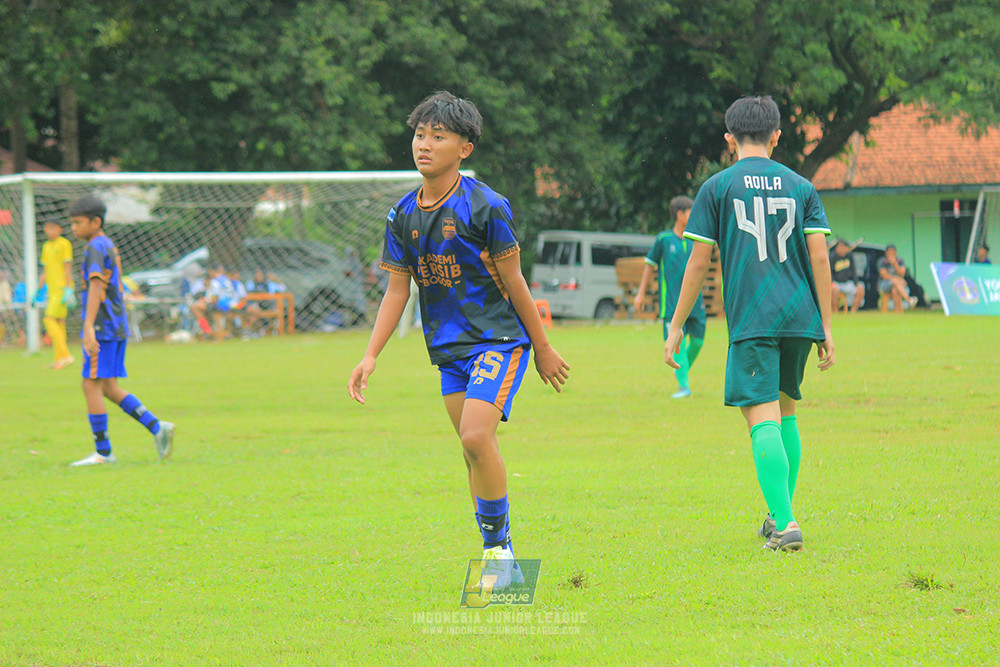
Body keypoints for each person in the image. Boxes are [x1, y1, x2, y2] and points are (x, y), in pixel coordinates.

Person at [347, 91, 570, 588]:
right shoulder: (401, 215)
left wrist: (543, 347)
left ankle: (500, 556)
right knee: (472, 451)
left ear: (464, 148)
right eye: (420, 134)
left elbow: (515, 282)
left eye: (438, 136)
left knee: (475, 436)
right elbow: (397, 290)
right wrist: (369, 355)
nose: (424, 144)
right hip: (447, 351)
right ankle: (500, 557)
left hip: (498, 340)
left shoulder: (486, 206)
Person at [664, 95, 835, 552]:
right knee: (787, 411)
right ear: (777, 136)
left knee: (761, 417)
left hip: (754, 320)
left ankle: (785, 523)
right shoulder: (802, 186)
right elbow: (820, 257)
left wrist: (676, 323)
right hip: (799, 316)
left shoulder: (717, 188)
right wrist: (827, 326)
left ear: (729, 139)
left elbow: (698, 262)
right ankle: (779, 511)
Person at [66, 195, 175, 466]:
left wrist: (89, 326)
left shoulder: (95, 246)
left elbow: (96, 286)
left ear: (96, 222)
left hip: (102, 327)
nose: (74, 228)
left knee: (90, 384)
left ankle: (104, 453)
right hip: (116, 325)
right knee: (108, 387)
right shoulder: (107, 245)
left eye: (78, 223)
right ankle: (157, 427)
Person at [633, 195, 705, 398]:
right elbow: (649, 265)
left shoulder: (697, 239)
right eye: (690, 212)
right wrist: (641, 293)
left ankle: (681, 370)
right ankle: (684, 387)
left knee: (698, 342)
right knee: (678, 344)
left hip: (696, 303)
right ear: (680, 215)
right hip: (671, 304)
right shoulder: (663, 239)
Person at [36, 219, 77, 369]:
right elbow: (45, 271)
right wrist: (37, 290)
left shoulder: (64, 244)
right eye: (47, 228)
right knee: (59, 322)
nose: (49, 231)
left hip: (61, 289)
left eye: (53, 228)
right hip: (51, 290)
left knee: (48, 319)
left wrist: (68, 287)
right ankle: (59, 357)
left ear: (59, 229)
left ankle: (66, 355)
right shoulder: (46, 246)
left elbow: (68, 267)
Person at [829, 238, 865, 313]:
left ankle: (853, 311)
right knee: (834, 288)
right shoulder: (832, 257)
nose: (842, 249)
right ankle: (835, 311)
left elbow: (853, 271)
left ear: (847, 248)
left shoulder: (850, 256)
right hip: (836, 283)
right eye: (840, 247)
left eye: (844, 247)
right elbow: (830, 272)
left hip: (847, 282)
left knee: (861, 287)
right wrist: (832, 282)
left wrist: (857, 283)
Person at [877, 245, 915, 312]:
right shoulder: (882, 261)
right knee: (895, 281)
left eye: (893, 253)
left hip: (898, 286)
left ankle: (897, 311)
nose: (891, 255)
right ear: (886, 253)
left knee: (894, 289)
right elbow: (884, 275)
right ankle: (908, 299)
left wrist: (895, 263)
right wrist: (897, 279)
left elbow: (902, 273)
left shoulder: (900, 261)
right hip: (885, 285)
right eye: (889, 253)